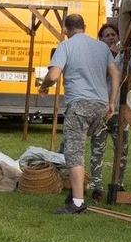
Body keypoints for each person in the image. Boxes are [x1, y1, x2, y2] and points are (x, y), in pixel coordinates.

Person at [42, 11, 118, 214]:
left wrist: (44, 84)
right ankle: (77, 193)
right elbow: (115, 73)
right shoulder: (101, 46)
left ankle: (77, 203)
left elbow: (54, 75)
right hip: (101, 106)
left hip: (79, 105)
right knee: (83, 148)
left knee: (74, 153)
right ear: (84, 27)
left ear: (66, 30)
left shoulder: (66, 45)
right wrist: (112, 101)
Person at [83, 21, 123, 199]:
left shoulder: (124, 56)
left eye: (113, 34)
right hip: (101, 107)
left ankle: (119, 183)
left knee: (122, 147)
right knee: (98, 147)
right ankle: (97, 185)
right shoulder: (96, 56)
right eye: (107, 35)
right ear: (100, 39)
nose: (110, 37)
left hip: (121, 108)